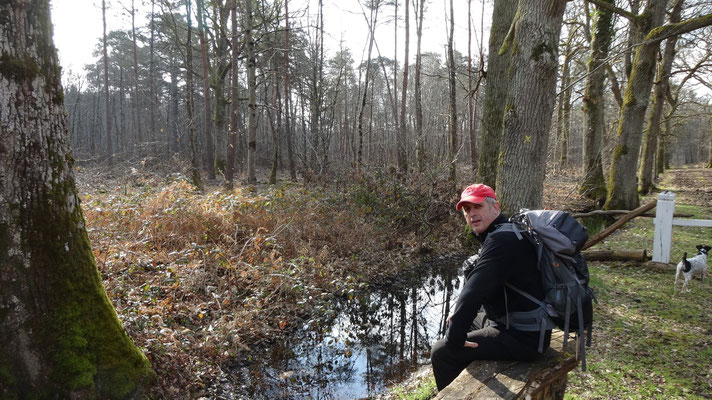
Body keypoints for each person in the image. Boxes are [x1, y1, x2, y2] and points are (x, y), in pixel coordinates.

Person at [430, 183, 552, 390]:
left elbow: (474, 292)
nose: (471, 214)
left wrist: (454, 341)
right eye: (467, 210)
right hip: (526, 326)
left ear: (495, 207)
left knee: (441, 351)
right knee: (458, 323)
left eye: (478, 206)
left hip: (525, 338)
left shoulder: (501, 241)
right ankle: (470, 379)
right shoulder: (509, 231)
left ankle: (457, 392)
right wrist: (458, 320)